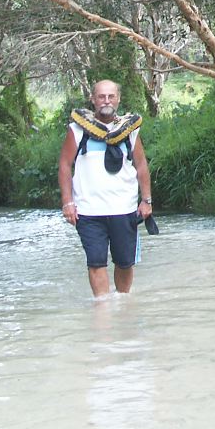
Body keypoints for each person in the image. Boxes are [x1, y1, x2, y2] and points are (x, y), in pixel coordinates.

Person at [58, 79, 154, 297]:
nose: (106, 101)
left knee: (125, 262)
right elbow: (65, 165)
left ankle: (122, 304)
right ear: (93, 99)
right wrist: (68, 202)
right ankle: (102, 311)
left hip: (124, 208)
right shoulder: (77, 130)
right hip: (89, 211)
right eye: (101, 96)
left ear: (118, 99)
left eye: (111, 96)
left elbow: (141, 165)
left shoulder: (130, 131)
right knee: (95, 263)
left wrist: (146, 200)